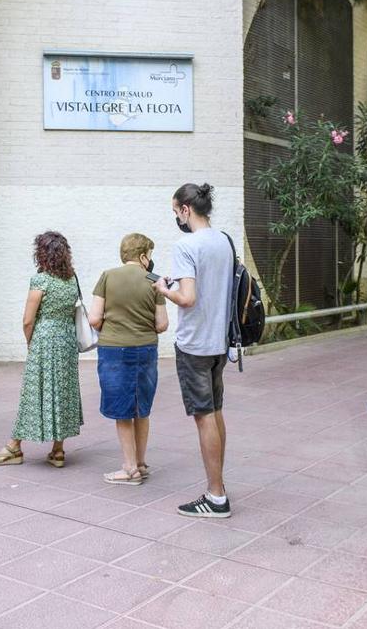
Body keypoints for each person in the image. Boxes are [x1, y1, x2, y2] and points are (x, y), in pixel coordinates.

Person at [154, 183, 234, 518]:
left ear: (186, 209)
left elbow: (187, 298)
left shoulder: (187, 244)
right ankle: (219, 486)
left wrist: (163, 289)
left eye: (176, 212)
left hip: (195, 343)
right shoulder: (224, 241)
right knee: (214, 412)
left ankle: (215, 496)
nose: (176, 218)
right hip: (219, 340)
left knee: (204, 416)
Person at [0, 232, 83, 467]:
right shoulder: (72, 279)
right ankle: (58, 450)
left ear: (41, 254)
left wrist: (31, 343)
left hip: (45, 340)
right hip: (67, 341)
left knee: (33, 392)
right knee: (62, 391)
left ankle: (14, 447)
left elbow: (28, 320)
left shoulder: (40, 280)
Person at [87, 233, 169, 485]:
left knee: (123, 411)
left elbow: (93, 319)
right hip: (145, 348)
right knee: (141, 408)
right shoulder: (154, 280)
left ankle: (129, 468)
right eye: (150, 255)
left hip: (114, 350)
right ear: (143, 256)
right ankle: (141, 463)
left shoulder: (107, 276)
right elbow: (162, 324)